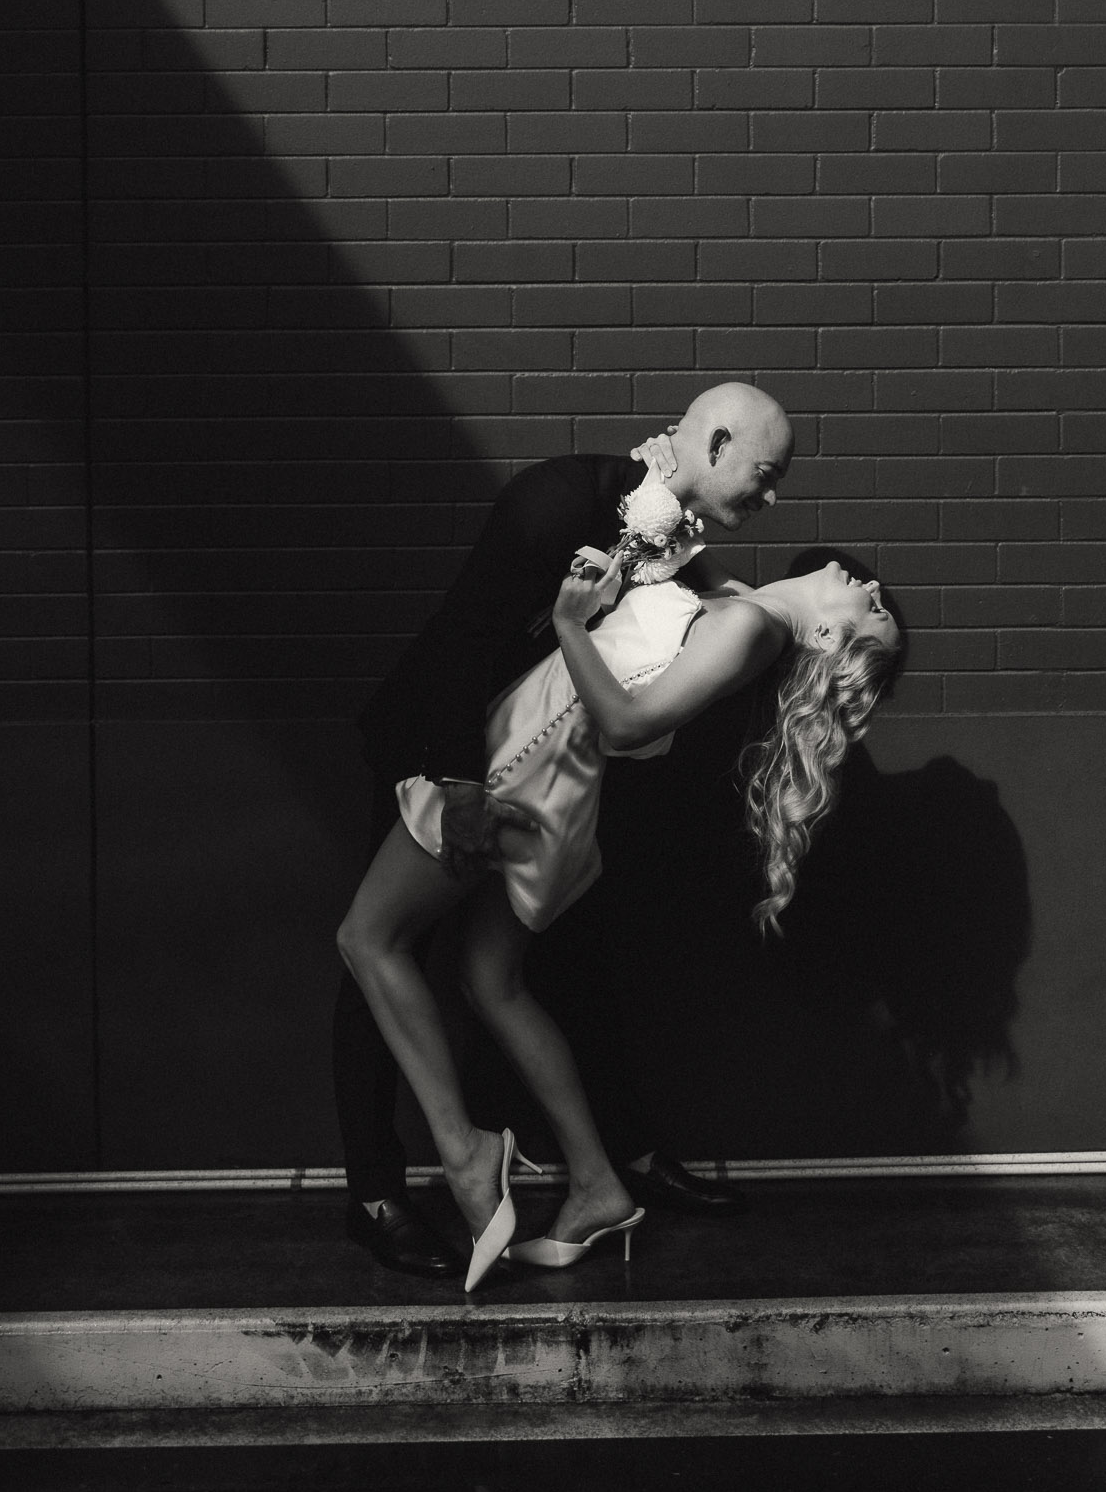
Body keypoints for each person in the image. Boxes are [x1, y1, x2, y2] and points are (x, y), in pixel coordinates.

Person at [337, 544, 904, 1292]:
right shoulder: (749, 607)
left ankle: (465, 1151)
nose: (870, 584)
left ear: (827, 636)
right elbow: (686, 558)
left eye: (873, 608)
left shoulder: (751, 628)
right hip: (559, 790)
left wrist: (571, 622)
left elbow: (628, 725)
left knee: (368, 939)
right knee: (493, 982)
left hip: (525, 763)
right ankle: (597, 1184)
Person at [334, 382, 796, 1277]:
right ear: (716, 444)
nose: (771, 496)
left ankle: (615, 1164)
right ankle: (377, 1195)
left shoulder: (677, 543)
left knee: (567, 956)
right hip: (435, 747)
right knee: (381, 961)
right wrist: (459, 783)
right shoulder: (558, 500)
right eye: (765, 474)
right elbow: (466, 634)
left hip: (533, 770)